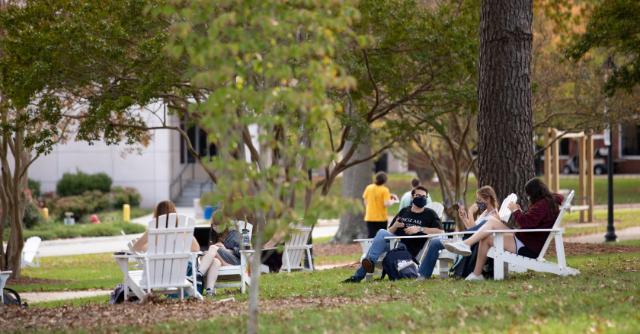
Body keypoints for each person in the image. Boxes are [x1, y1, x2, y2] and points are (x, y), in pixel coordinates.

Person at [444, 178, 563, 281]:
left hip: (527, 247)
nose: (528, 197)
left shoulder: (542, 205)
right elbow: (532, 222)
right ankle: (476, 273)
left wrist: (515, 211)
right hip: (524, 240)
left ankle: (467, 246)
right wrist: (520, 212)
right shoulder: (546, 203)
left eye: (529, 194)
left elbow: (527, 223)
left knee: (490, 225)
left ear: (534, 192)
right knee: (488, 232)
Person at [344, 186, 442, 283]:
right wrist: (395, 225)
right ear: (412, 197)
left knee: (374, 248)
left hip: (407, 249)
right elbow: (390, 231)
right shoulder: (404, 211)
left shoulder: (430, 214)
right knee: (382, 232)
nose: (421, 198)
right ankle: (369, 264)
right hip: (394, 242)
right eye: (418, 195)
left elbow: (440, 231)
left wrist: (419, 228)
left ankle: (360, 274)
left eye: (424, 196)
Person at [416, 186, 499, 280]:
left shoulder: (493, 216)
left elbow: (473, 232)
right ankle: (423, 274)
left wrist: (471, 213)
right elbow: (472, 229)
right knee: (434, 241)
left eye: (480, 199)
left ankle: (423, 275)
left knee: (435, 243)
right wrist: (464, 218)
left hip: (467, 243)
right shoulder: (485, 213)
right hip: (465, 240)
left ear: (487, 199)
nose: (477, 203)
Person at [131, 200, 200, 253]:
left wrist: (149, 247)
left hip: (157, 270)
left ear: (157, 214)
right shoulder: (183, 229)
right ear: (174, 213)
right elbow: (196, 248)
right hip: (180, 269)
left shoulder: (152, 231)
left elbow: (135, 248)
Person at [363, 172, 398, 238]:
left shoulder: (369, 188)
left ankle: (370, 248)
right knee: (381, 236)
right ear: (385, 181)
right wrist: (393, 201)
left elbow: (365, 201)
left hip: (369, 217)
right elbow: (386, 204)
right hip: (381, 218)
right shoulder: (384, 190)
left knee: (371, 236)